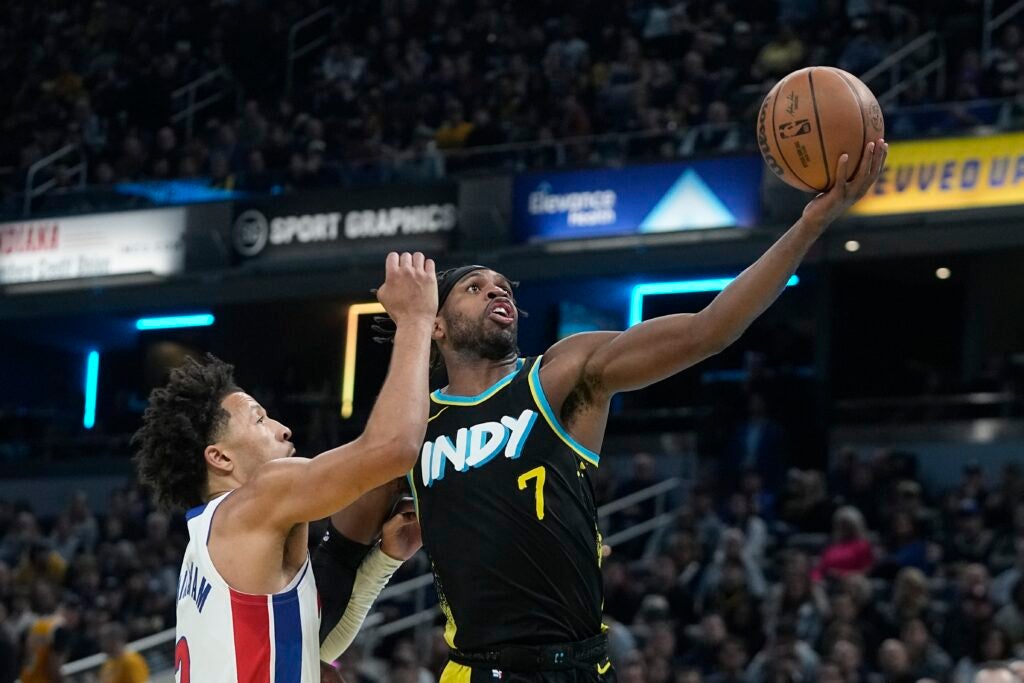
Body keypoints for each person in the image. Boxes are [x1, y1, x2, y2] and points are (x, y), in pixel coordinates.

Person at [381, 141, 887, 680]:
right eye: (475, 288)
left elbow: (707, 331)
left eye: (503, 287)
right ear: (435, 325)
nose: (497, 293)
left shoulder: (558, 375)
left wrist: (808, 225)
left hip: (572, 665)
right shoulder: (411, 424)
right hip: (472, 669)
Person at [132, 252, 437, 681]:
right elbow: (395, 447)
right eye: (260, 419)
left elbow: (314, 646)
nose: (283, 428)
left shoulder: (205, 547)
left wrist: (384, 561)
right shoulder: (258, 497)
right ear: (220, 457)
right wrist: (416, 319)